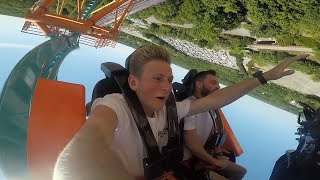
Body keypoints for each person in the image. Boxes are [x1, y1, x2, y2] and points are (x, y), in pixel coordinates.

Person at [53, 45, 308, 179]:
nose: (165, 86)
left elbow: (217, 99)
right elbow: (85, 146)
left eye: (169, 78)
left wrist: (264, 77)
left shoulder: (171, 109)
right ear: (133, 83)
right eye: (157, 78)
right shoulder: (114, 105)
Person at [182, 70, 246, 180]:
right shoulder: (190, 106)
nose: (218, 87)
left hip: (202, 157)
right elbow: (191, 144)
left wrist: (217, 153)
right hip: (188, 162)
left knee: (241, 172)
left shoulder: (211, 110)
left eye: (218, 84)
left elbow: (211, 139)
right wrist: (214, 161)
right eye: (213, 82)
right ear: (198, 84)